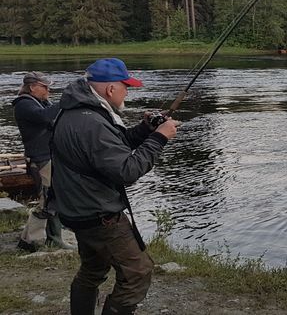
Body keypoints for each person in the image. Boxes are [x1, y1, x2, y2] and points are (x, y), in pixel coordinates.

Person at [50, 58, 178, 315]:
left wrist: (144, 130)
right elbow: (126, 171)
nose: (128, 92)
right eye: (126, 86)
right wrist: (160, 138)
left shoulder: (76, 110)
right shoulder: (93, 122)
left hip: (78, 209)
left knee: (93, 270)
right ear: (110, 89)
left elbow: (109, 150)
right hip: (99, 214)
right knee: (138, 274)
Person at [12, 71, 70, 251]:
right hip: (40, 158)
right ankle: (41, 239)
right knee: (48, 200)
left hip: (48, 156)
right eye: (45, 87)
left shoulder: (40, 103)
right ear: (32, 87)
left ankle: (36, 239)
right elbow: (45, 117)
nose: (48, 90)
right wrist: (66, 100)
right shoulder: (23, 104)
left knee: (53, 197)